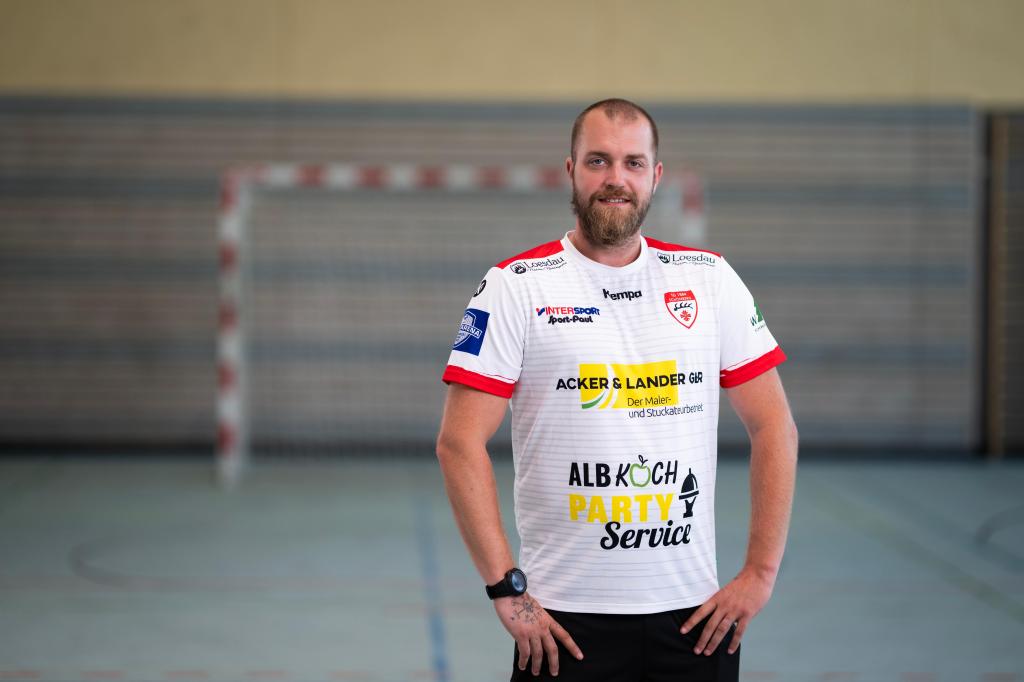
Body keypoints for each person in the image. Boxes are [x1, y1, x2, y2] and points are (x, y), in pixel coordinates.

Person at [436, 98, 798, 682]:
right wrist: (507, 590)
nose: (616, 179)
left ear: (655, 176)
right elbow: (458, 443)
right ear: (571, 170)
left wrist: (760, 573)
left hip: (695, 622)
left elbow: (774, 424)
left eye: (633, 163)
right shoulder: (514, 286)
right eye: (598, 160)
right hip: (561, 627)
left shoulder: (709, 279)